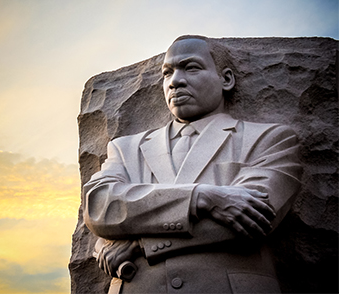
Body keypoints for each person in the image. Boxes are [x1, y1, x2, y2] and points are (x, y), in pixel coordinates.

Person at [83, 35, 302, 293]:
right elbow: (99, 207)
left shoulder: (269, 139)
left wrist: (137, 243)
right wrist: (202, 197)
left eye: (191, 67)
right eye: (167, 73)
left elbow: (255, 217)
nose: (175, 81)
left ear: (226, 79)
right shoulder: (126, 148)